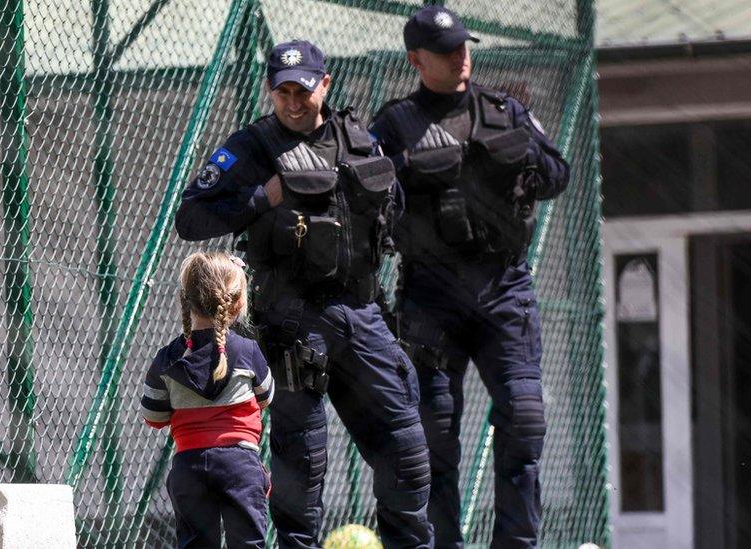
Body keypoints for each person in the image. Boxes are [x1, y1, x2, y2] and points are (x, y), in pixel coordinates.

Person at [175, 40, 435, 548]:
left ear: (326, 85)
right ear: (271, 92)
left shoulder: (359, 139)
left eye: (304, 90)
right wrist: (262, 197)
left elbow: (396, 212)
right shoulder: (252, 146)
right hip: (293, 324)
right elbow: (191, 216)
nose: (294, 102)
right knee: (301, 470)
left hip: (363, 314)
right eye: (283, 92)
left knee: (406, 449)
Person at [369, 6, 570, 548]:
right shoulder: (393, 125)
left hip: (503, 288)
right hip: (430, 297)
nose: (461, 56)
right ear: (417, 60)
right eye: (446, 50)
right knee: (434, 438)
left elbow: (558, 175)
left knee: (525, 421)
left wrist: (519, 153)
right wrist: (411, 179)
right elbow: (364, 201)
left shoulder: (505, 110)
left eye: (464, 46)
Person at [140, 251, 274, 548]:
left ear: (186, 301)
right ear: (237, 303)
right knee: (249, 542)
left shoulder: (167, 358)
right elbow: (266, 396)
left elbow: (153, 416)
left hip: (188, 466)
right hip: (240, 464)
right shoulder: (247, 351)